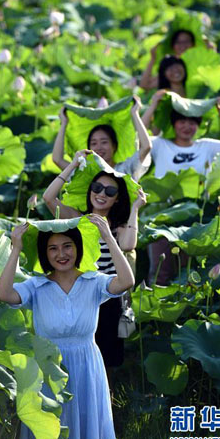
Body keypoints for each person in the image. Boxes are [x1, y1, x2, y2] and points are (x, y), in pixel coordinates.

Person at [0, 218, 135, 439]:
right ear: (45, 253)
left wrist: (109, 239)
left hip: (86, 366)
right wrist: (16, 247)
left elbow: (126, 281)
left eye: (67, 246)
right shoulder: (36, 286)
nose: (61, 253)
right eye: (53, 248)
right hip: (49, 367)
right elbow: (4, 294)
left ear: (78, 247)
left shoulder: (93, 282)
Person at [43, 151, 147, 374]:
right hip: (80, 293)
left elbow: (128, 245)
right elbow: (48, 198)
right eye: (97, 188)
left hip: (109, 293)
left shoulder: (118, 225)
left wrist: (135, 208)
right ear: (90, 190)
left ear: (117, 198)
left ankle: (104, 400)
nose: (102, 194)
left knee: (106, 357)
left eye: (110, 191)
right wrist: (72, 165)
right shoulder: (76, 218)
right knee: (78, 350)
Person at [142, 92, 220, 285]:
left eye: (192, 122)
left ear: (198, 125)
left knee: (188, 273)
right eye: (181, 121)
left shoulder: (205, 146)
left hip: (197, 214)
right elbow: (139, 139)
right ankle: (155, 313)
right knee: (160, 272)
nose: (187, 126)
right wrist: (153, 105)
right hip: (164, 213)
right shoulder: (160, 144)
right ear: (173, 123)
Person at [52, 95, 151, 182]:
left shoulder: (126, 168)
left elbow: (146, 146)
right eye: (94, 143)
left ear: (114, 146)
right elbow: (57, 159)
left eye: (104, 142)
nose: (99, 147)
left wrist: (135, 113)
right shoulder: (85, 172)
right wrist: (64, 123)